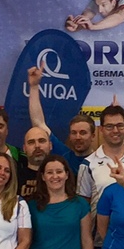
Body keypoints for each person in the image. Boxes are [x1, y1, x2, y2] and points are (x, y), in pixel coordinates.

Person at [23, 66, 97, 197]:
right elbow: (39, 123)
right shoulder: (63, 155)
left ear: (93, 135)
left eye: (83, 133)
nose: (78, 137)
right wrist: (34, 87)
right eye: (74, 133)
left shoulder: (101, 161)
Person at [84, 106, 124, 205]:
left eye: (120, 125)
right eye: (109, 126)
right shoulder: (87, 164)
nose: (115, 130)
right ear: (101, 129)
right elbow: (83, 204)